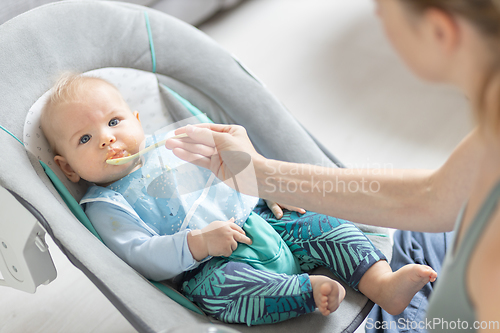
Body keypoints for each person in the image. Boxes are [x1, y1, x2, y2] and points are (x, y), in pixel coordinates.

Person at [164, 0, 500, 331]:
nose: (378, 14)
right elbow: (433, 196)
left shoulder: (489, 263)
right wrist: (262, 175)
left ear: (439, 31)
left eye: (383, 6)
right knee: (414, 238)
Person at [40, 73, 437, 326]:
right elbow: (138, 255)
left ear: (138, 122)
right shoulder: (106, 204)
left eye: (114, 122)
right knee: (227, 293)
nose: (108, 138)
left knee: (327, 227)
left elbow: (232, 169)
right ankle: (304, 291)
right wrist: (196, 245)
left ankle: (381, 281)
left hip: (264, 218)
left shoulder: (174, 144)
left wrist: (268, 188)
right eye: (85, 139)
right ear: (68, 168)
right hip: (209, 266)